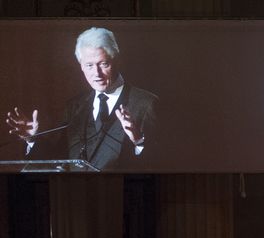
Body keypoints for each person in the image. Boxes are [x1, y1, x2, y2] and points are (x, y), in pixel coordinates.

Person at [5, 27, 158, 171]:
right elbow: (57, 158)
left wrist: (139, 141)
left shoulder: (146, 104)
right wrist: (33, 139)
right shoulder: (75, 106)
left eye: (104, 64)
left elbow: (161, 162)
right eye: (89, 65)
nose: (96, 74)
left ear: (117, 61)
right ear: (81, 67)